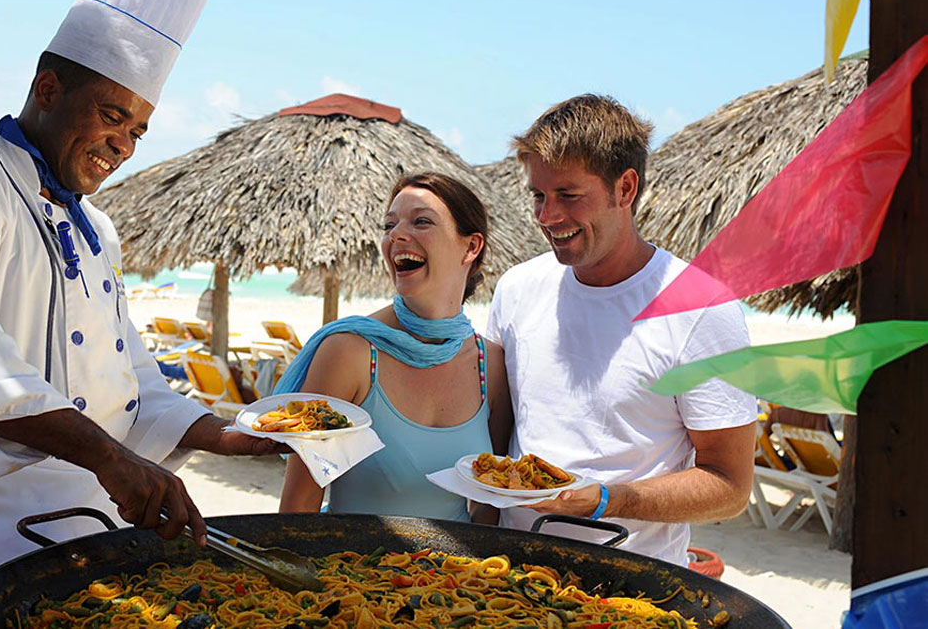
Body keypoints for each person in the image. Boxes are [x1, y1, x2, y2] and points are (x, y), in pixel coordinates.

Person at [0, 0, 280, 626]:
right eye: (111, 116)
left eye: (137, 132)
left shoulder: (99, 229)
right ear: (47, 88)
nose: (122, 145)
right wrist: (113, 460)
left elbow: (135, 385)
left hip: (89, 525)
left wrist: (238, 436)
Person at [486, 95, 757, 566]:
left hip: (634, 586)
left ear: (625, 188)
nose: (547, 216)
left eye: (568, 195)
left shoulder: (701, 308)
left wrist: (607, 500)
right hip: (510, 573)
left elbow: (730, 487)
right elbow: (494, 433)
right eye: (538, 195)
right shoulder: (516, 289)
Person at [279, 172, 512, 521]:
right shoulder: (350, 352)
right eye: (389, 225)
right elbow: (299, 507)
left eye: (421, 221)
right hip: (352, 569)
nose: (396, 236)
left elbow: (489, 505)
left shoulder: (489, 364)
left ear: (471, 247)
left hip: (458, 574)